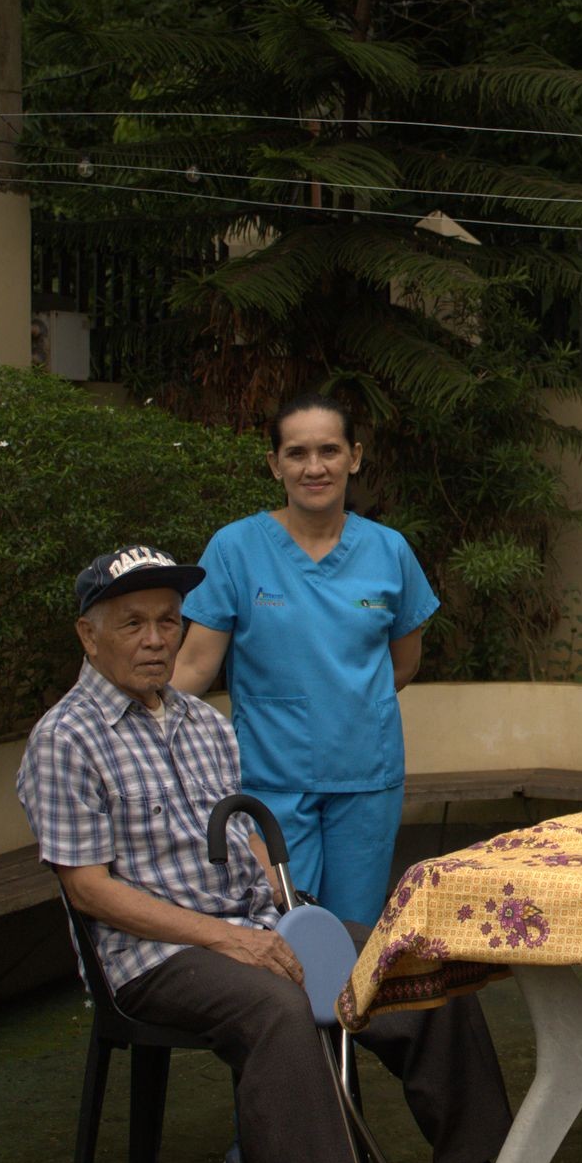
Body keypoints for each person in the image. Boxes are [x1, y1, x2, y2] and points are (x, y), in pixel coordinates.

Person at [18, 545, 582, 1163]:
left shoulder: (201, 722)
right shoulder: (66, 739)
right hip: (154, 957)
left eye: (169, 622)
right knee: (280, 1002)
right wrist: (229, 939)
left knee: (416, 962)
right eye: (133, 623)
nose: (156, 639)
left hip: (252, 926)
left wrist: (287, 909)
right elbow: (90, 892)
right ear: (89, 634)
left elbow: (239, 833)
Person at [173, 393, 436, 926]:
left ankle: (346, 1015)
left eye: (329, 451)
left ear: (354, 457)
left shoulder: (389, 551)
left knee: (355, 930)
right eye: (296, 454)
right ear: (275, 465)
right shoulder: (235, 549)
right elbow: (196, 667)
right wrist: (126, 723)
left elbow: (403, 665)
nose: (313, 468)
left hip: (366, 779)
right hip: (270, 778)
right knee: (283, 924)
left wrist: (349, 707)